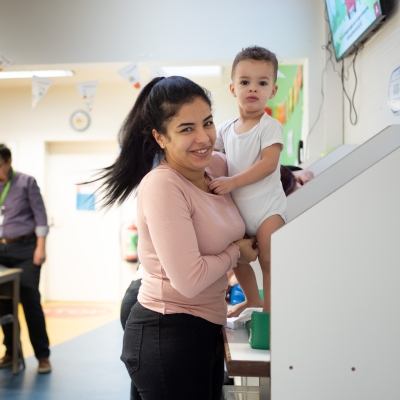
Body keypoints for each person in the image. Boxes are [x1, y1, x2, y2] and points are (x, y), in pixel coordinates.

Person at [97, 76, 259, 400]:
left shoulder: (214, 167)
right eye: (186, 129)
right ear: (160, 137)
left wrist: (296, 175)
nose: (203, 138)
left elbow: (259, 176)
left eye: (208, 123)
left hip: (206, 326)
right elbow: (188, 278)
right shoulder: (162, 186)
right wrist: (235, 253)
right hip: (167, 331)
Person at [210, 46, 286, 317]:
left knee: (269, 260)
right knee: (238, 259)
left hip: (267, 210)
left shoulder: (270, 126)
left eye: (262, 83)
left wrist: (231, 182)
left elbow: (268, 164)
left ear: (272, 91)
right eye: (245, 82)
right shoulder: (225, 129)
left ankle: (272, 312)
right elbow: (209, 153)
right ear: (233, 88)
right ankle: (254, 301)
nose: (253, 88)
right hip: (239, 214)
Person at [0, 144, 51, 374]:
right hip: (2, 250)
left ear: (8, 161)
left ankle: (42, 356)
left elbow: (40, 217)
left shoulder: (25, 182)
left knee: (30, 301)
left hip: (26, 249)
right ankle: (12, 352)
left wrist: (40, 248)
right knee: (3, 304)